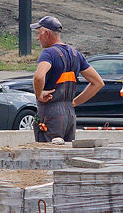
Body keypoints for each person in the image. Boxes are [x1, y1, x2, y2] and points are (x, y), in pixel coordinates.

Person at [31, 16, 104, 144]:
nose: (38, 38)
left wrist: (39, 94)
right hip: (69, 114)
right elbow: (98, 83)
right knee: (66, 156)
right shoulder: (75, 54)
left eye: (38, 34)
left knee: (48, 154)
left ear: (47, 33)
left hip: (50, 114)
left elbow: (38, 76)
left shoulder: (48, 53)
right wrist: (74, 102)